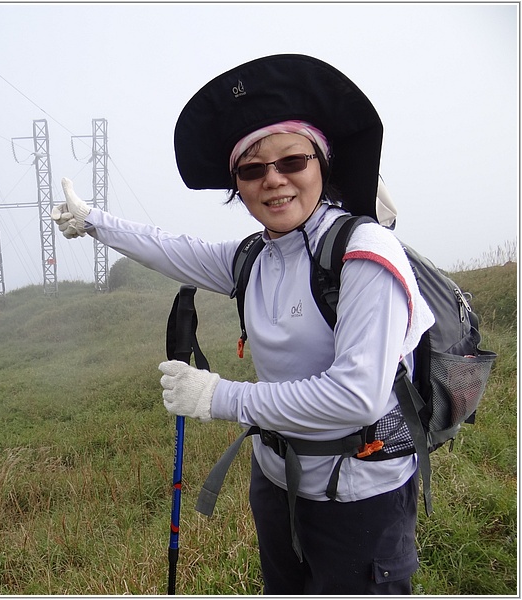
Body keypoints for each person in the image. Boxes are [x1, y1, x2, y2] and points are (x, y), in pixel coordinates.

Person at [51, 54, 434, 595]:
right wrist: (93, 221)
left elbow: (357, 397)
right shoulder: (255, 256)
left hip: (360, 498)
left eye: (292, 162)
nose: (273, 181)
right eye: (252, 170)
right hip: (277, 479)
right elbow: (173, 249)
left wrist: (220, 396)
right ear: (237, 184)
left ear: (321, 163)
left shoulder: (364, 253)